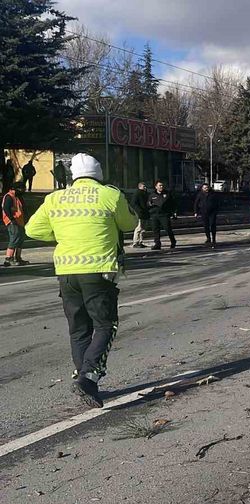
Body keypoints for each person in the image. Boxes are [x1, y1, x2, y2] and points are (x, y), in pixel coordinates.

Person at [25, 153, 137, 408]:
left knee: (78, 330)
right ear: (99, 174)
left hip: (66, 272)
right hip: (98, 271)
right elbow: (130, 223)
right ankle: (88, 375)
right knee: (106, 325)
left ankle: (86, 381)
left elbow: (32, 229)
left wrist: (62, 231)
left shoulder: (55, 198)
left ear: (73, 175)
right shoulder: (110, 195)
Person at [2, 183, 29, 266]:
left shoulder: (18, 196)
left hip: (20, 221)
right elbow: (6, 208)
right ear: (16, 189)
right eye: (22, 188)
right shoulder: (9, 196)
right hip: (12, 222)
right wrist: (12, 219)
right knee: (14, 239)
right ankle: (8, 258)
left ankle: (18, 258)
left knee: (20, 239)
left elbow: (22, 208)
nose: (24, 190)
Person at [147, 180, 176, 250]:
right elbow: (148, 203)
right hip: (155, 215)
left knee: (168, 229)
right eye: (160, 185)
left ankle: (173, 241)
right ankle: (157, 244)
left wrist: (174, 212)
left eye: (162, 185)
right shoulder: (152, 195)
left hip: (164, 214)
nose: (161, 187)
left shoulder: (167, 194)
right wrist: (149, 205)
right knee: (155, 230)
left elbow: (173, 203)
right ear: (156, 187)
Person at [194, 182, 220, 247]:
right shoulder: (200, 194)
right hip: (204, 212)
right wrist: (196, 212)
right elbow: (196, 203)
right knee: (206, 225)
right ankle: (208, 238)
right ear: (202, 188)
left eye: (207, 187)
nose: (206, 189)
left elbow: (217, 203)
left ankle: (214, 238)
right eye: (205, 188)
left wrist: (217, 210)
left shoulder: (213, 194)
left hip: (212, 212)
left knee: (212, 224)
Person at [130, 182, 149, 248]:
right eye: (144, 186)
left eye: (145, 186)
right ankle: (135, 242)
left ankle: (140, 242)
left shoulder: (145, 193)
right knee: (139, 228)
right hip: (140, 213)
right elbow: (133, 203)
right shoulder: (137, 193)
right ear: (140, 186)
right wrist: (139, 211)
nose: (145, 187)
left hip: (144, 213)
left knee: (143, 229)